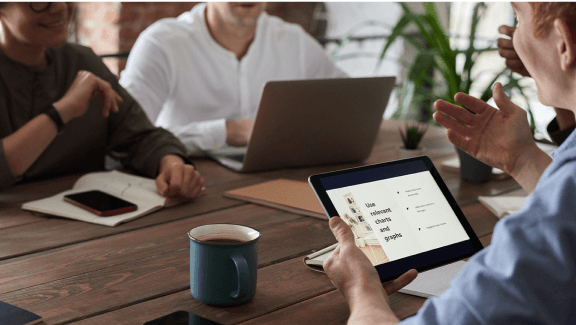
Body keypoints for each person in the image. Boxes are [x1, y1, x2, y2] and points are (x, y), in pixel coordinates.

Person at [324, 2, 576, 324]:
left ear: (563, 42)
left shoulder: (543, 230)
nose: (514, 39)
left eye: (518, 18)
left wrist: (361, 287)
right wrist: (523, 160)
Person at [0, 1, 204, 199]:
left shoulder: (82, 61)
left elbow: (142, 136)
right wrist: (63, 111)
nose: (61, 6)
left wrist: (172, 164)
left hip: (94, 219)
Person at [119, 1, 347, 156]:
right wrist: (226, 132)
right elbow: (125, 137)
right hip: (190, 180)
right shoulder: (161, 43)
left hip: (279, 175)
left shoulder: (294, 40)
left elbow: (348, 102)